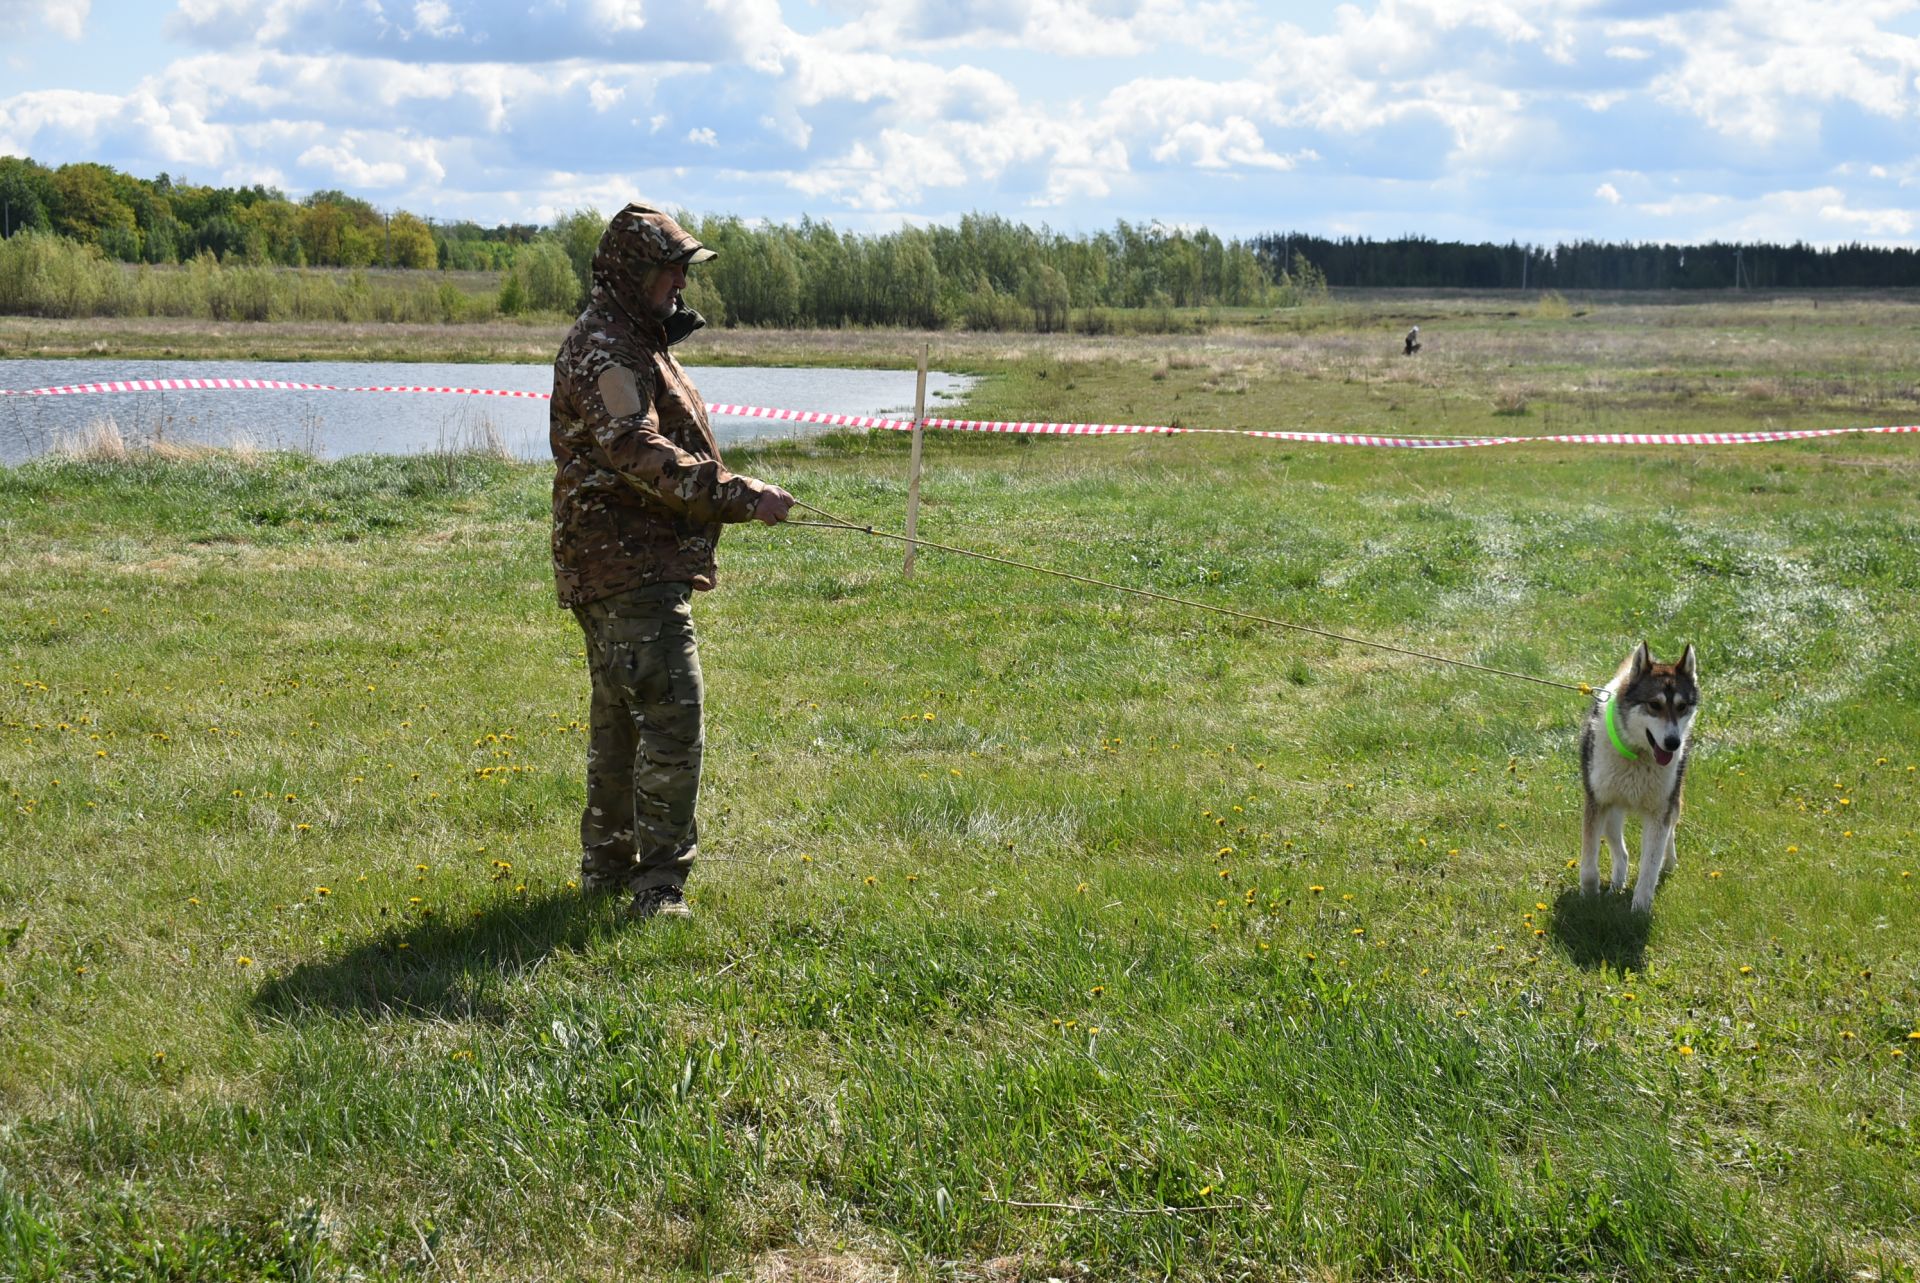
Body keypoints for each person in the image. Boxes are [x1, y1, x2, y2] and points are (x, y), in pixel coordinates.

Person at [549, 202, 793, 919]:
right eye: (668, 272)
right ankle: (656, 887)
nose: (679, 286)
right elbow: (636, 451)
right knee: (670, 719)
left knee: (622, 720)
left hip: (624, 562)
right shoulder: (608, 349)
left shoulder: (636, 337)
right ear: (631, 273)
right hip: (624, 565)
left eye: (682, 272)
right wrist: (740, 495)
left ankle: (609, 873)